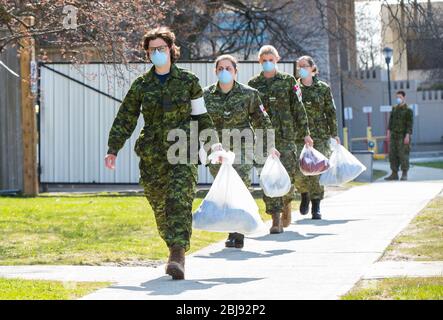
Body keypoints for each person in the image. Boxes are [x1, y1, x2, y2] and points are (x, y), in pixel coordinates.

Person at [104, 27, 219, 280]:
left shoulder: (188, 82)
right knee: (160, 206)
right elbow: (126, 117)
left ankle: (177, 256)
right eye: (152, 50)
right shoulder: (142, 85)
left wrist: (213, 146)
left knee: (179, 200)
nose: (157, 53)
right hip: (153, 155)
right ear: (147, 54)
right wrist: (113, 149)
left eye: (161, 49)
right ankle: (172, 246)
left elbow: (202, 117)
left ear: (171, 50)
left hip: (183, 151)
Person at [204, 54, 278, 248]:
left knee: (241, 186)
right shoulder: (206, 95)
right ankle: (231, 229)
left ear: (236, 71)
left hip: (242, 148)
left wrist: (270, 145)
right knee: (225, 189)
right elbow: (200, 122)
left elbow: (263, 120)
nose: (224, 72)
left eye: (228, 68)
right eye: (220, 68)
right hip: (217, 150)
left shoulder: (249, 94)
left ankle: (238, 232)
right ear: (215, 71)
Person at [248, 45, 312, 232]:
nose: (268, 63)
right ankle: (275, 219)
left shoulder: (288, 81)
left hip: (286, 136)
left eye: (271, 59)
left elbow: (298, 108)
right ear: (260, 61)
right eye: (264, 60)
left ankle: (285, 206)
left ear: (277, 59)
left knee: (288, 175)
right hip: (263, 137)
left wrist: (306, 133)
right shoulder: (253, 84)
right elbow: (250, 112)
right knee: (268, 176)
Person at [293, 55, 339, 220]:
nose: (301, 69)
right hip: (299, 136)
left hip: (320, 135)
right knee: (300, 170)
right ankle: (304, 193)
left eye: (305, 66)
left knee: (317, 171)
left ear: (313, 68)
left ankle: (316, 205)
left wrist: (334, 133)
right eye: (299, 66)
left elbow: (331, 112)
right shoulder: (294, 88)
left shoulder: (323, 88)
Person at [385, 90, 413, 181]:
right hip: (394, 135)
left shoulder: (408, 110)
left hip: (403, 136)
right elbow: (391, 121)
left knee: (403, 155)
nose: (398, 99)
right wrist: (388, 132)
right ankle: (394, 173)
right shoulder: (394, 108)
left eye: (400, 97)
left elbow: (410, 124)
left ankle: (404, 174)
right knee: (392, 154)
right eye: (397, 97)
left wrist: (407, 135)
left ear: (404, 98)